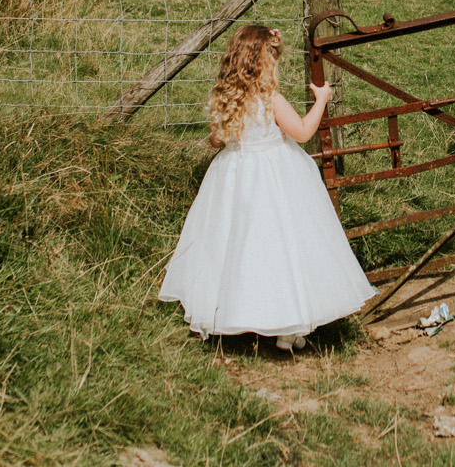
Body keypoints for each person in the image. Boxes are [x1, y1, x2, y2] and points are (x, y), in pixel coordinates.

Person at [158, 24, 375, 350]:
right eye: (272, 60)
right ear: (260, 64)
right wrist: (322, 100)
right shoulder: (270, 100)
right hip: (274, 177)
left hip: (233, 177)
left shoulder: (227, 100)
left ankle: (231, 311)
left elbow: (216, 140)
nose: (275, 67)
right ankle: (288, 323)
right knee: (281, 246)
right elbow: (302, 132)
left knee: (235, 247)